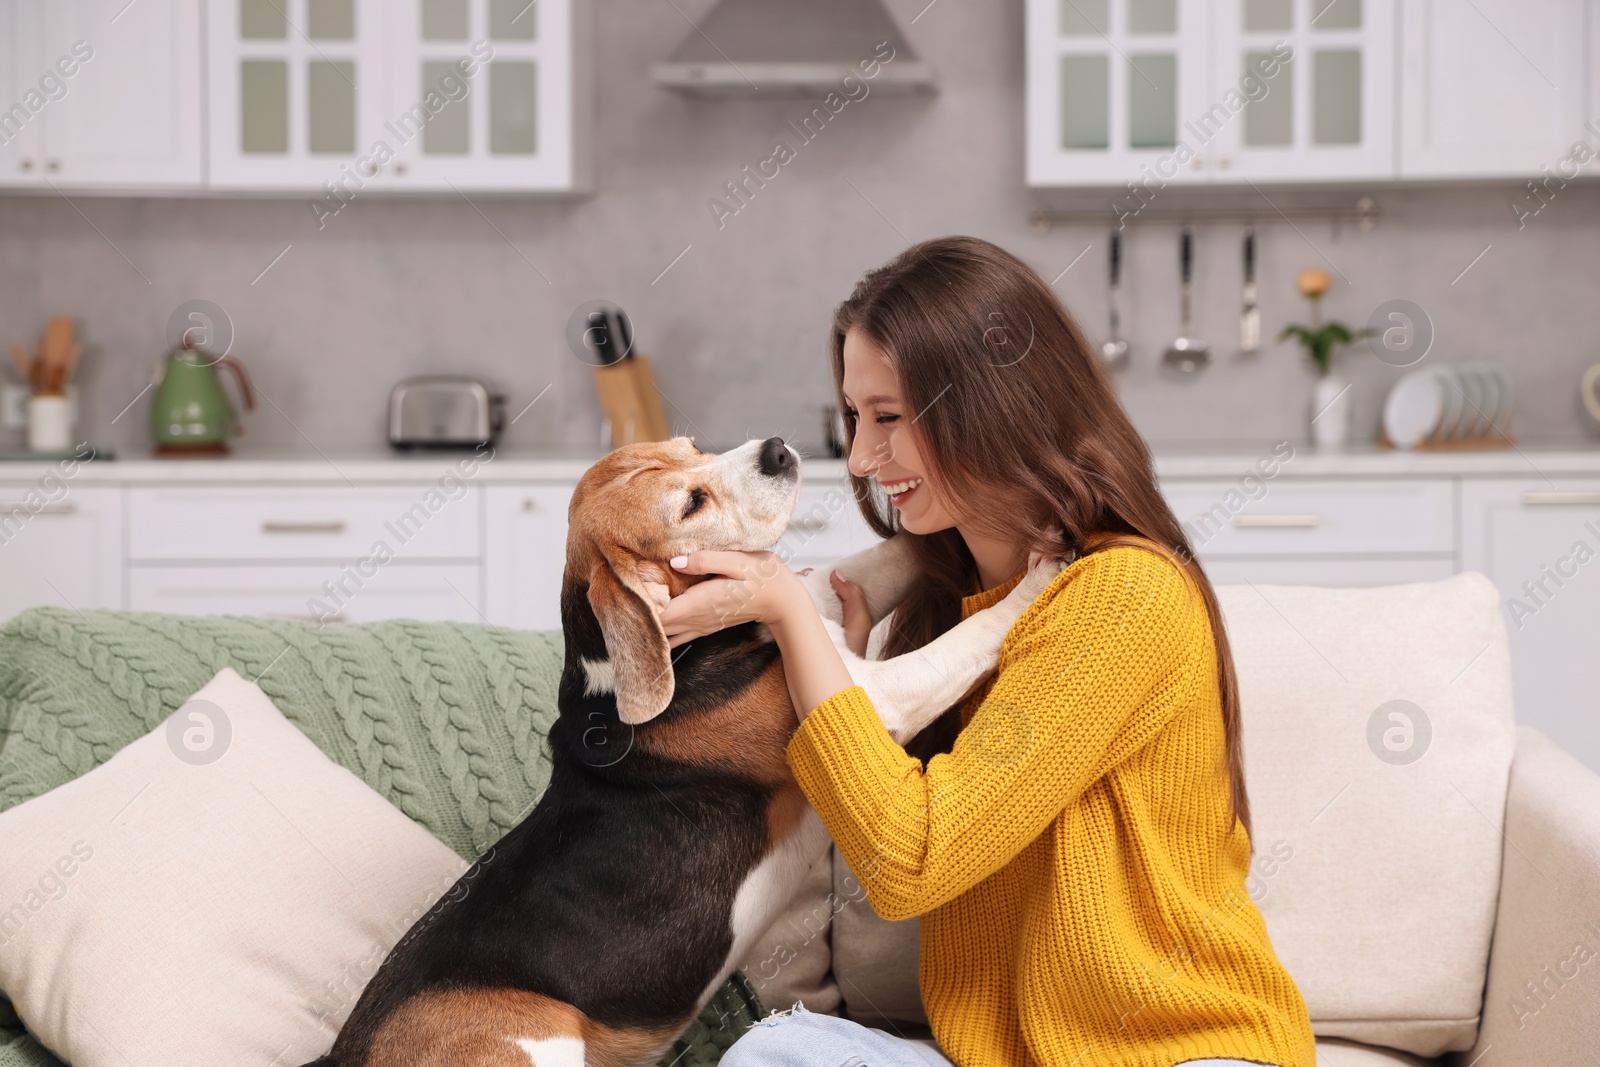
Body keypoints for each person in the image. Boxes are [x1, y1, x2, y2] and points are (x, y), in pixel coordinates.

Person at [658, 236, 1314, 1067]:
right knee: (772, 1057)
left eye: (889, 418)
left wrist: (789, 610)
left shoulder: (1124, 599)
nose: (862, 457)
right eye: (854, 419)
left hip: (1181, 1052)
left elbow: (912, 857)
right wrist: (839, 662)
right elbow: (883, 809)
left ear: (997, 404)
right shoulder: (952, 606)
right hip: (1006, 1059)